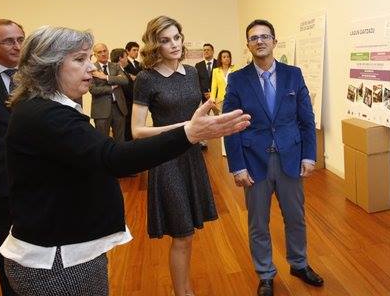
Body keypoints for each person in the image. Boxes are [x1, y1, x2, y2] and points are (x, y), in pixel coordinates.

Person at [0, 26, 250, 296]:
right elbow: (113, 157)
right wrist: (189, 132)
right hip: (58, 262)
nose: (91, 67)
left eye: (88, 58)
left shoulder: (43, 109)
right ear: (49, 66)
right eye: (80, 59)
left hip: (66, 252)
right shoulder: (47, 115)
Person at [224, 19, 324, 296]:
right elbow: (231, 125)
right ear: (248, 45)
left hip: (290, 158)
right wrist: (237, 166)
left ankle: (299, 264)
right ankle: (265, 274)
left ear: (274, 41)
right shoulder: (238, 79)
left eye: (265, 36)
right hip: (254, 162)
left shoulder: (293, 75)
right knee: (258, 223)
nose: (260, 41)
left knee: (295, 217)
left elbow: (306, 120)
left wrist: (309, 156)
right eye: (254, 38)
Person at [131, 16, 220, 296]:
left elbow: (197, 115)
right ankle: (183, 293)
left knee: (189, 233)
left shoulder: (192, 72)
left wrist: (212, 120)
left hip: (192, 157)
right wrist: (184, 128)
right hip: (166, 159)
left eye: (177, 38)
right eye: (165, 40)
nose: (174, 44)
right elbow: (137, 131)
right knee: (182, 234)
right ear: (154, 45)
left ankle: (185, 289)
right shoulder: (146, 78)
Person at [0, 18, 22, 296]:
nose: (17, 46)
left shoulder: (38, 77)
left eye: (20, 39)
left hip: (43, 178)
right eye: (9, 41)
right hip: (1, 182)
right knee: (7, 248)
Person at [90, 43, 128, 141]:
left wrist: (105, 77)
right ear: (95, 55)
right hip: (101, 110)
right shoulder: (91, 68)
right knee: (102, 140)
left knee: (120, 140)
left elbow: (124, 80)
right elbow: (93, 90)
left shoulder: (115, 66)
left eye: (105, 51)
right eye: (99, 52)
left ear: (108, 51)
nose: (103, 54)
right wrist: (111, 87)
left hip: (119, 108)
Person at [110, 48, 135, 141]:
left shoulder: (124, 71)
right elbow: (126, 90)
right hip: (125, 107)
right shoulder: (115, 73)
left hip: (128, 106)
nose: (127, 59)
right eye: (126, 57)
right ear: (120, 58)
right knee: (125, 135)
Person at [210, 49, 237, 114]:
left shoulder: (235, 69)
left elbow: (238, 85)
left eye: (228, 57)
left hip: (233, 99)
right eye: (224, 57)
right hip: (220, 100)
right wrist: (212, 100)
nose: (226, 58)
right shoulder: (216, 71)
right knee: (221, 118)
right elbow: (214, 86)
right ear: (220, 59)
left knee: (232, 117)